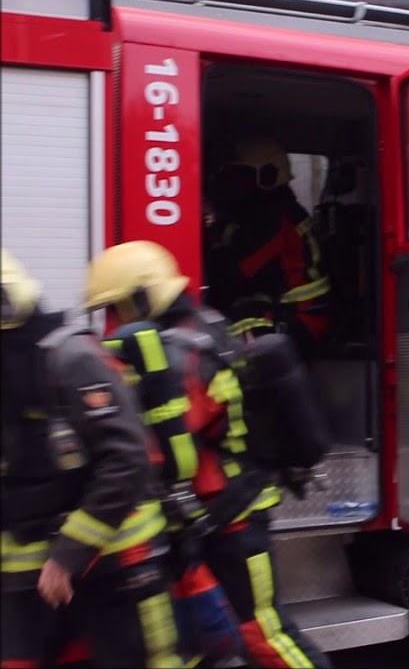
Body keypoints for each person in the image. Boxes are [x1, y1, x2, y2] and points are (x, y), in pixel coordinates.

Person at [83, 240, 331, 669]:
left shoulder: (181, 357)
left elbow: (178, 435)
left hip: (233, 516)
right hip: (218, 515)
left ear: (143, 297)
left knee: (263, 633)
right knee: (209, 638)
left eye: (117, 307)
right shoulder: (207, 325)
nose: (112, 322)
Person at [1, 247, 186, 668]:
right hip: (28, 572)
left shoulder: (70, 360)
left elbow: (125, 462)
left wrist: (67, 555)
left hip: (115, 561)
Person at [204, 135, 331, 358]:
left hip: (303, 319)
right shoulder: (258, 212)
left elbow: (237, 273)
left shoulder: (276, 219)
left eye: (241, 176)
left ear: (268, 176)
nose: (232, 184)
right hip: (285, 308)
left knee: (233, 323)